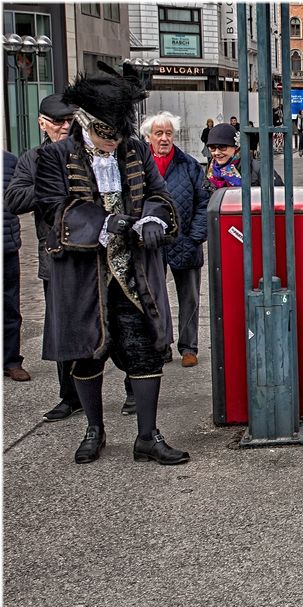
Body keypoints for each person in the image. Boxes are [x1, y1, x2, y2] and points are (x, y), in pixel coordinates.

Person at [35, 67, 191, 465]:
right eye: (105, 138)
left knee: (144, 349)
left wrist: (154, 219)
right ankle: (94, 429)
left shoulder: (135, 149)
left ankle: (147, 436)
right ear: (86, 122)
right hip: (85, 274)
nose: (112, 145)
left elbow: (159, 193)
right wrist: (104, 223)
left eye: (116, 137)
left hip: (134, 272)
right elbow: (54, 208)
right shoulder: (54, 156)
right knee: (87, 352)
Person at [5, 94, 88, 416]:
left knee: (115, 323)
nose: (64, 127)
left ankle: (131, 391)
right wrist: (49, 182)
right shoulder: (33, 159)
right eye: (57, 122)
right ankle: (70, 397)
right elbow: (14, 200)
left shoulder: (89, 150)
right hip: (57, 255)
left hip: (97, 253)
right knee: (63, 330)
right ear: (42, 123)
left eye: (69, 120)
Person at [142, 111, 209, 368]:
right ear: (148, 136)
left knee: (189, 297)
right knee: (153, 296)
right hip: (151, 243)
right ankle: (161, 345)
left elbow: (203, 202)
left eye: (169, 133)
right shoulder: (140, 164)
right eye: (159, 133)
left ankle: (189, 346)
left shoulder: (189, 164)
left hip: (185, 240)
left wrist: (195, 236)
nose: (164, 138)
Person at [3, 149, 29, 382]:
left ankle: (11, 360)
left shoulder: (10, 161)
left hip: (6, 246)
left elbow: (19, 198)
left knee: (10, 307)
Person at [205, 123, 283, 188]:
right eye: (212, 148)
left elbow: (278, 197)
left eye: (222, 147)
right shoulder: (209, 170)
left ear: (236, 147)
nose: (216, 152)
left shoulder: (259, 168)